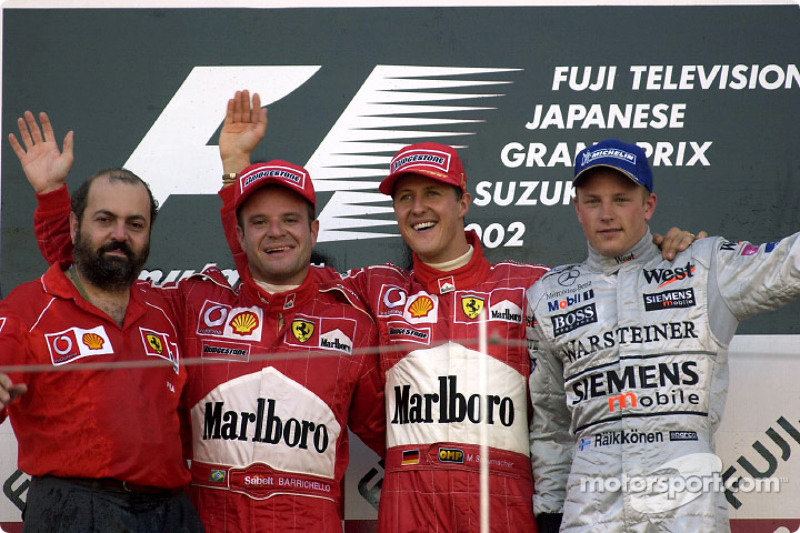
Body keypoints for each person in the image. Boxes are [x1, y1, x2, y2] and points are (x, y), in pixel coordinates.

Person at [217, 101, 698, 532]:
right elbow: (275, 267)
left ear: (463, 202)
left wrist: (658, 251)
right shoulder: (372, 287)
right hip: (409, 495)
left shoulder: (531, 284)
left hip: (503, 492)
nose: (418, 208)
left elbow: (610, 283)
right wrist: (235, 174)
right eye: (404, 197)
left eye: (432, 193)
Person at [19, 99, 386, 532]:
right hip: (207, 521)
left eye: (290, 219)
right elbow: (95, 277)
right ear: (239, 232)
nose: (277, 232)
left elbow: (393, 427)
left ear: (315, 230)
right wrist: (51, 200)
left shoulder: (352, 316)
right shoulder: (192, 303)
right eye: (259, 222)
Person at [526, 139, 800, 532]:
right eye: (592, 201)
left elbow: (787, 264)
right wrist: (551, 512)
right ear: (576, 208)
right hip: (592, 510)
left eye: (621, 199)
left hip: (688, 508)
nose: (606, 214)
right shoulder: (549, 296)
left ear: (648, 205)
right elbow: (550, 423)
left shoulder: (705, 267)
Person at [0, 113, 203, 532]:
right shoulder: (27, 307)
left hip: (171, 512)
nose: (120, 235)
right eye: (104, 219)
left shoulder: (168, 308)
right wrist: (52, 196)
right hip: (73, 509)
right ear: (75, 225)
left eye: (135, 224)